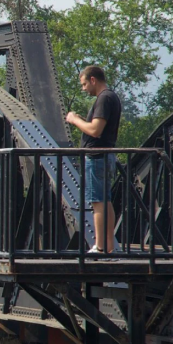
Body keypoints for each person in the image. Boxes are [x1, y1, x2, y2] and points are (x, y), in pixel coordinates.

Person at [65, 65, 122, 253]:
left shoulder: (104, 98)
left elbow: (95, 131)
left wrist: (74, 120)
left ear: (93, 80)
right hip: (106, 155)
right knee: (106, 201)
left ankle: (99, 246)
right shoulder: (111, 97)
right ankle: (109, 246)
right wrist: (84, 121)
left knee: (97, 202)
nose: (83, 89)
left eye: (83, 84)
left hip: (96, 156)